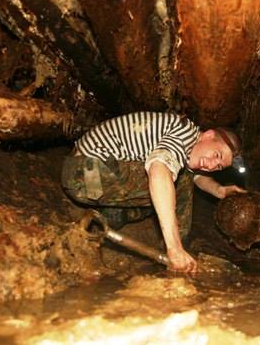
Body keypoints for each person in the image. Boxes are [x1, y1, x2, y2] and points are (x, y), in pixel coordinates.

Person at [61, 111, 246, 272]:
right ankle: (176, 252)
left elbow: (195, 175)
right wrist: (174, 247)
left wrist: (220, 191)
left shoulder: (188, 143)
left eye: (218, 166)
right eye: (217, 155)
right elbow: (160, 170)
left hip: (89, 178)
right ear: (208, 136)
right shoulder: (182, 134)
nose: (212, 165)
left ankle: (114, 215)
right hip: (85, 172)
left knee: (175, 183)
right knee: (170, 183)